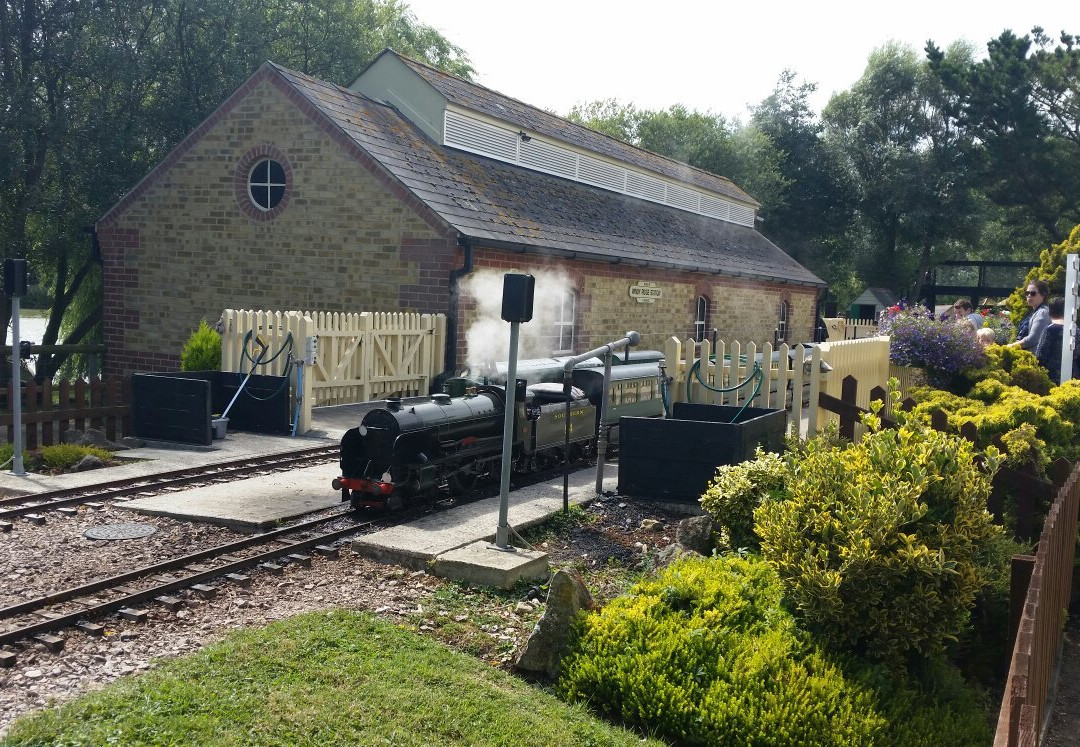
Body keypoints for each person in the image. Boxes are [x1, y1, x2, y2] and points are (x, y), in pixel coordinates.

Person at [1035, 297, 1080, 385]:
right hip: (1073, 375)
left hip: (1052, 377)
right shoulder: (1076, 329)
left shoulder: (1050, 330)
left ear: (1050, 311)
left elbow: (1040, 356)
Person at [1009, 280, 1050, 351]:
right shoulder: (1035, 312)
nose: (1029, 296)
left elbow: (1033, 339)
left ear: (1043, 295)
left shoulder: (1042, 313)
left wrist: (1010, 346)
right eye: (1027, 293)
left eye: (1033, 293)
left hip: (1035, 358)